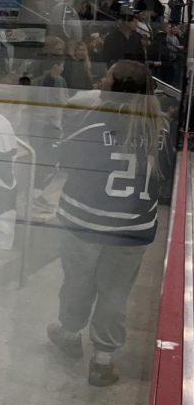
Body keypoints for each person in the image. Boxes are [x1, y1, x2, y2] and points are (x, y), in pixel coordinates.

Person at [47, 60, 162, 386]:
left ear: (117, 88)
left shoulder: (94, 122)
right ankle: (103, 358)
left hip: (85, 220)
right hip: (132, 228)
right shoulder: (157, 128)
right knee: (114, 292)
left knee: (79, 280)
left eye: (108, 76)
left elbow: (66, 159)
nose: (102, 78)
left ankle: (70, 335)